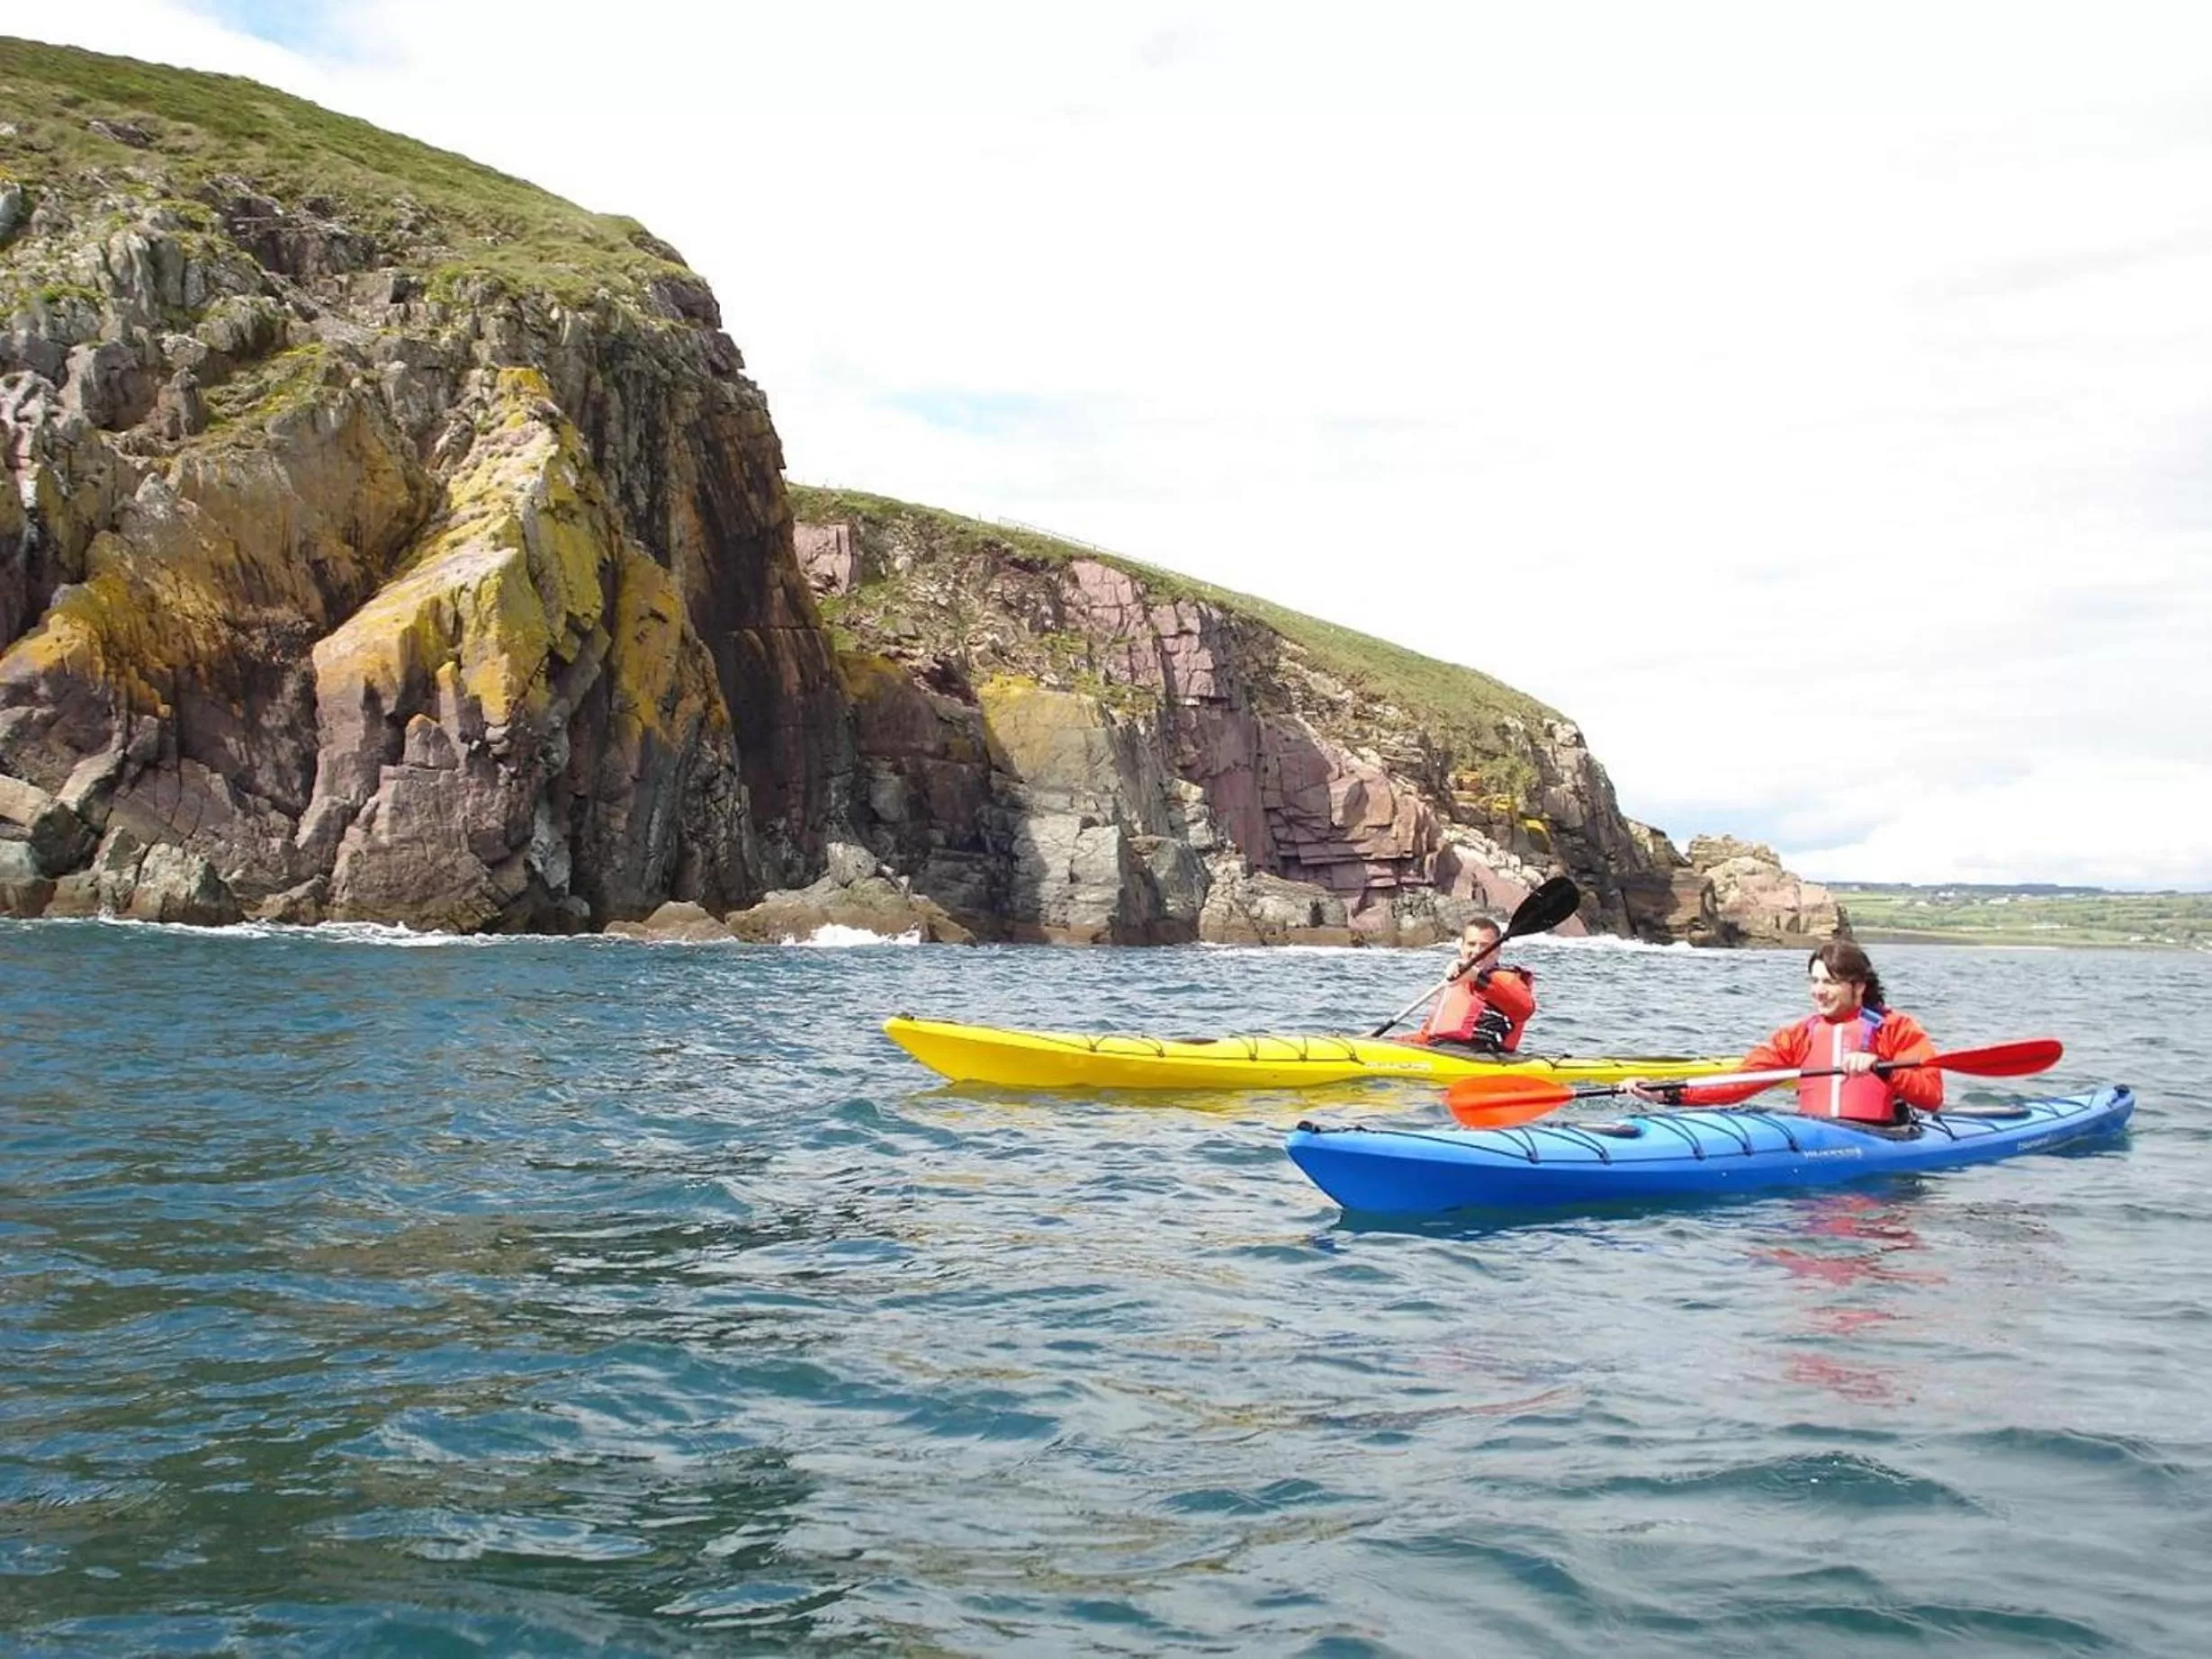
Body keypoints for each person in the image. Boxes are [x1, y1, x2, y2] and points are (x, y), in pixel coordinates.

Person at [1627, 937, 1941, 1124]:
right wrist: (1666, 1093)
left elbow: (1931, 1098)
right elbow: (1741, 1082)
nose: (1818, 991)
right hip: (1817, 1137)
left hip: (1885, 1140)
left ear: (1858, 986)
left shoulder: (1897, 1029)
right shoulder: (1799, 1035)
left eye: (1829, 982)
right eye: (1814, 981)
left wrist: (1882, 1069)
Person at [1406, 918, 1538, 1054]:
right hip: (1442, 1049)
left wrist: (1478, 977)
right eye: (1471, 944)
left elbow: (1525, 1008)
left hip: (1484, 1055)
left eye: (1485, 946)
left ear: (1497, 950)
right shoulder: (1454, 982)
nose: (1477, 951)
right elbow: (1427, 1035)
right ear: (1462, 947)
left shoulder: (1505, 979)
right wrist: (1392, 1043)